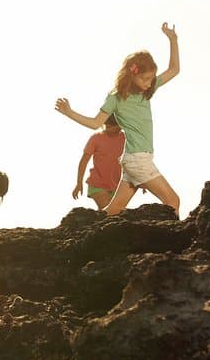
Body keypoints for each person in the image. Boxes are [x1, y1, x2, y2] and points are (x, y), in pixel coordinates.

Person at [55, 22, 181, 215]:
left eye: (151, 79)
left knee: (113, 211)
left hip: (133, 159)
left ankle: (88, 234)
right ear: (132, 74)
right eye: (145, 79)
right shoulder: (116, 98)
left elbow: (173, 70)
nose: (149, 84)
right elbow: (95, 123)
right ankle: (173, 241)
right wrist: (69, 112)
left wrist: (173, 39)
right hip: (138, 160)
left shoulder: (147, 91)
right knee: (173, 201)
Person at [72, 114, 125, 210]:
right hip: (97, 184)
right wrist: (79, 183)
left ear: (120, 125)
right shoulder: (96, 138)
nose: (108, 128)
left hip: (116, 186)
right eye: (106, 126)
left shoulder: (125, 139)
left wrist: (140, 181)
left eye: (111, 126)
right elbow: (83, 162)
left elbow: (133, 161)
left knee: (109, 216)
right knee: (111, 212)